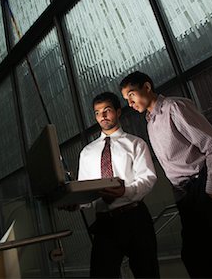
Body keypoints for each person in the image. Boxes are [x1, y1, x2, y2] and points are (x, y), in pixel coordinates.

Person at [120, 71, 212, 278]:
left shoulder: (174, 108)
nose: (129, 103)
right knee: (196, 257)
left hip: (204, 184)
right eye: (125, 99)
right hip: (187, 195)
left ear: (147, 87)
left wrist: (211, 190)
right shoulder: (151, 122)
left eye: (131, 95)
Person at [64, 92, 159, 278]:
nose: (102, 116)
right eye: (98, 113)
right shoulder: (87, 152)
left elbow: (148, 178)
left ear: (118, 111)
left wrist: (125, 191)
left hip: (134, 217)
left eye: (107, 111)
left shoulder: (135, 144)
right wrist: (76, 203)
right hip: (105, 223)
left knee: (147, 273)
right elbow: (86, 190)